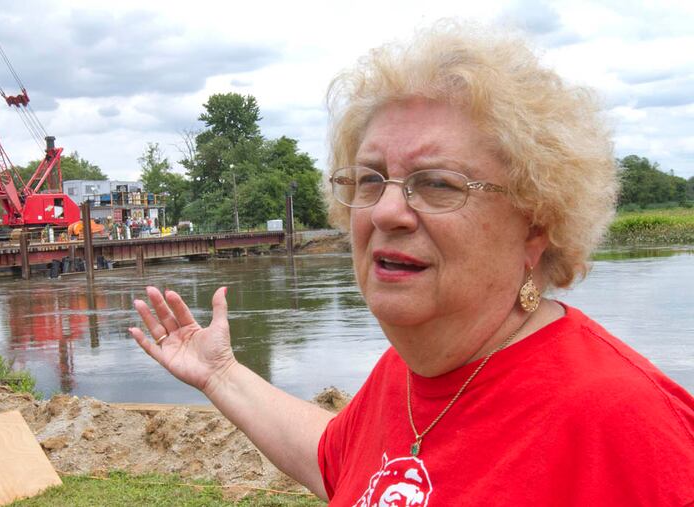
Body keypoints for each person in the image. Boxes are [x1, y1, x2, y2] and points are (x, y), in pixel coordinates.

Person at [130, 21, 694, 505]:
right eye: (370, 178)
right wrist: (222, 375)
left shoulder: (624, 424)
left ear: (537, 224)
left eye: (438, 184)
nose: (388, 211)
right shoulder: (409, 370)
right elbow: (340, 463)